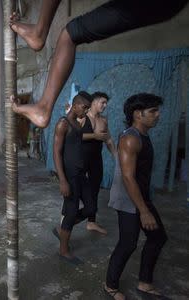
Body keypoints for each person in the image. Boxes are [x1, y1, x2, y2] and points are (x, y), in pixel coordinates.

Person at [9, 0, 187, 128]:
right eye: (100, 103)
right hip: (166, 6)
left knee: (69, 35)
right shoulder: (71, 123)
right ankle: (39, 33)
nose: (102, 107)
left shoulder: (99, 123)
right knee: (70, 34)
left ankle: (39, 32)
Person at [104, 94, 167, 300]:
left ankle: (144, 282)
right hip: (127, 198)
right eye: (153, 111)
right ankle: (110, 285)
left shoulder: (143, 135)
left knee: (157, 237)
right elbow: (128, 178)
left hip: (140, 195)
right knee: (128, 243)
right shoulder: (131, 138)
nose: (158, 115)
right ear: (137, 114)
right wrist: (144, 211)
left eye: (157, 110)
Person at [53, 91, 95, 264]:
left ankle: (62, 228)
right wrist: (62, 180)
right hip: (69, 175)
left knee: (91, 207)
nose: (85, 111)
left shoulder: (77, 124)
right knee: (70, 213)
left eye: (87, 108)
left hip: (80, 174)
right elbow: (56, 152)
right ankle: (63, 250)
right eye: (84, 107)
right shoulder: (63, 124)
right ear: (75, 104)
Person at [79, 92, 116, 235]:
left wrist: (117, 159)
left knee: (95, 189)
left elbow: (109, 141)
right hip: (80, 159)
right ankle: (67, 217)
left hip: (96, 159)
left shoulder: (104, 121)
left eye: (106, 103)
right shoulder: (82, 117)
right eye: (103, 102)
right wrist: (94, 135)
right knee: (77, 189)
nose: (105, 106)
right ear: (94, 102)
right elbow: (75, 136)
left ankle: (91, 222)